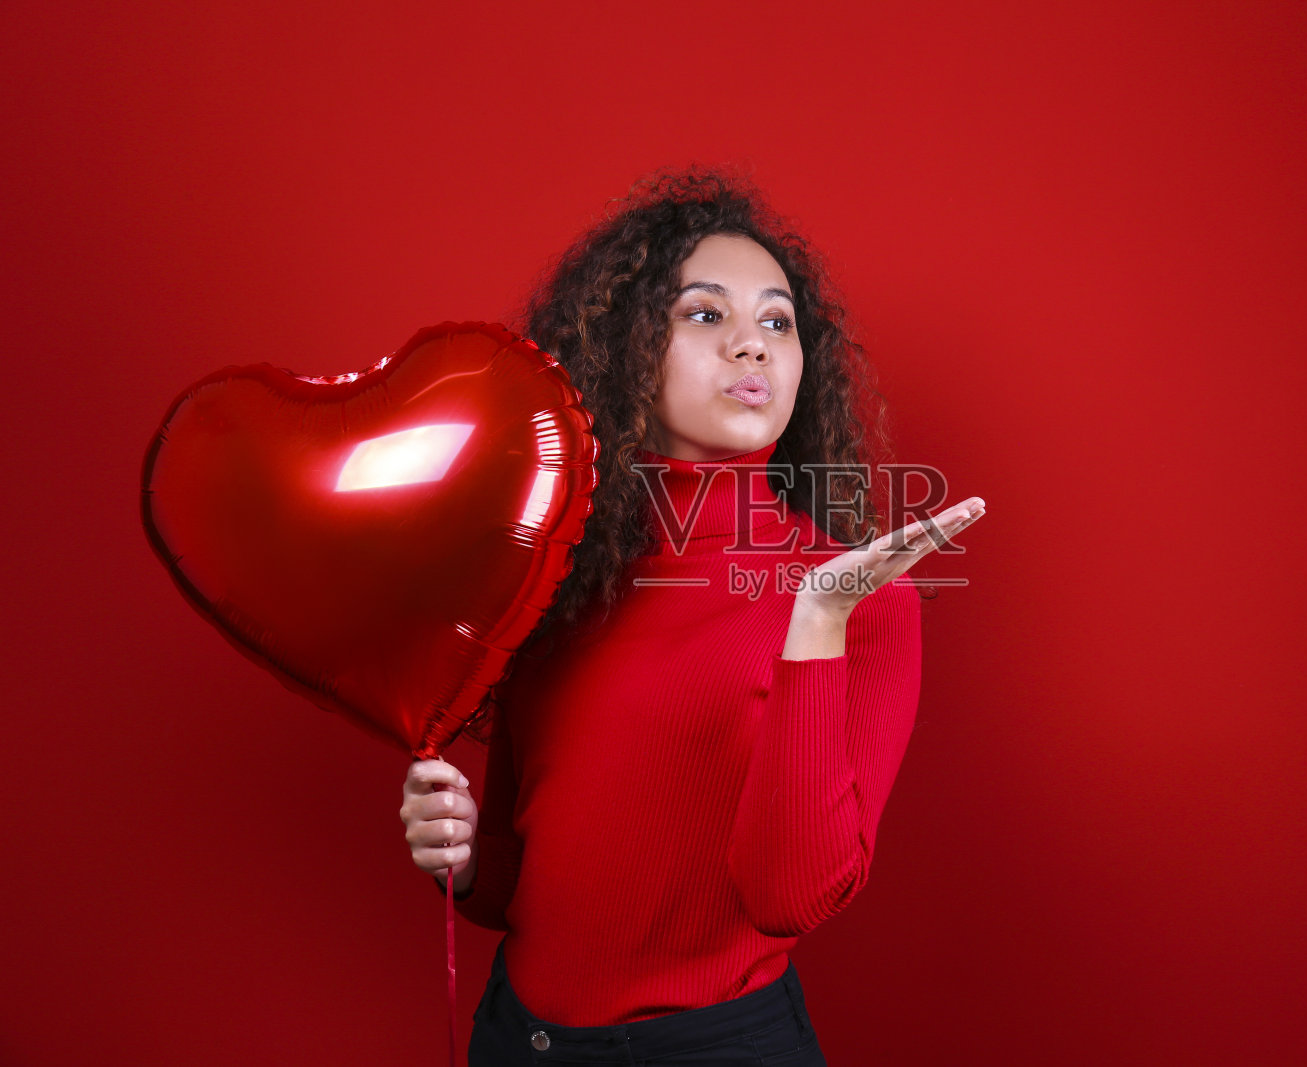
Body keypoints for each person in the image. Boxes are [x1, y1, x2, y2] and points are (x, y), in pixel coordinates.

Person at [397, 166, 986, 1065]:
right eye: (706, 314)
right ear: (626, 349)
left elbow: (789, 899)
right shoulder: (556, 578)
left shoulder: (860, 597)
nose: (752, 346)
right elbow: (514, 893)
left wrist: (814, 621)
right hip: (519, 1039)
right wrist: (465, 856)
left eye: (777, 323)